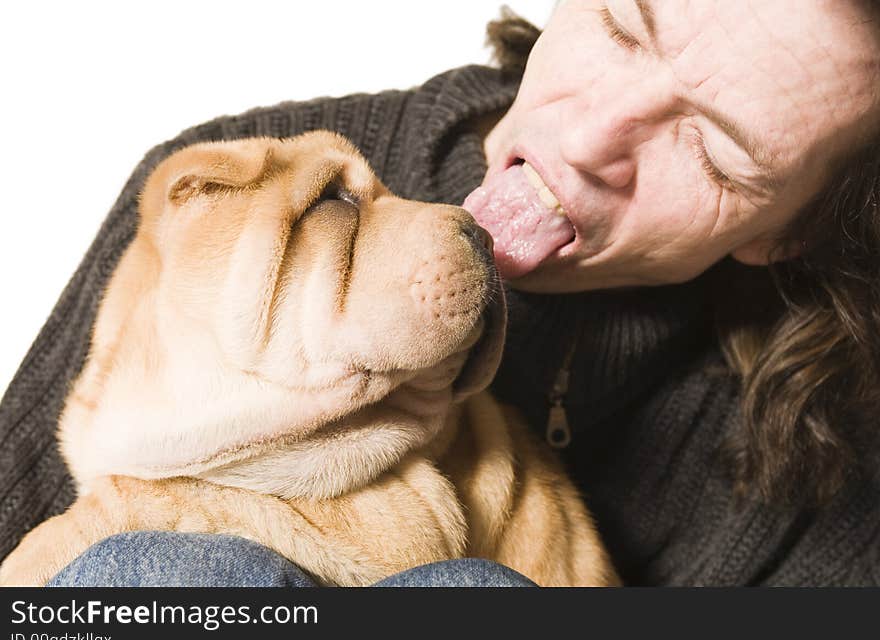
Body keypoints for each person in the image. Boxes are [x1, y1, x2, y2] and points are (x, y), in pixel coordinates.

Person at [2, 0, 879, 586]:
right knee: (167, 580)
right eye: (622, 25)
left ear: (792, 231)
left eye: (714, 151)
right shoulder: (243, 185)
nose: (586, 137)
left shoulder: (832, 448)